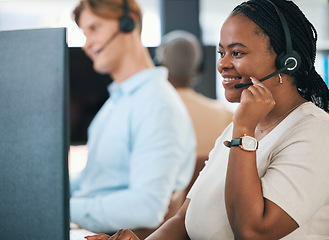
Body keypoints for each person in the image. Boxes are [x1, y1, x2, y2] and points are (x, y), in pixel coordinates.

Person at [84, 0, 329, 239]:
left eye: (237, 52)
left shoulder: (316, 133)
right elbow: (184, 219)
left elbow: (253, 232)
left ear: (287, 62)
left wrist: (243, 129)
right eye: (221, 52)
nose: (222, 64)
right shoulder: (236, 129)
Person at [69, 0, 196, 234]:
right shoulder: (117, 103)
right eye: (83, 34)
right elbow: (93, 181)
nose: (86, 45)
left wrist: (64, 208)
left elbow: (146, 207)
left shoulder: (156, 104)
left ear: (129, 24)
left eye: (94, 28)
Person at [155, 30, 233, 192]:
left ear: (161, 66)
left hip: (163, 212)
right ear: (198, 68)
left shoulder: (148, 114)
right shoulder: (226, 115)